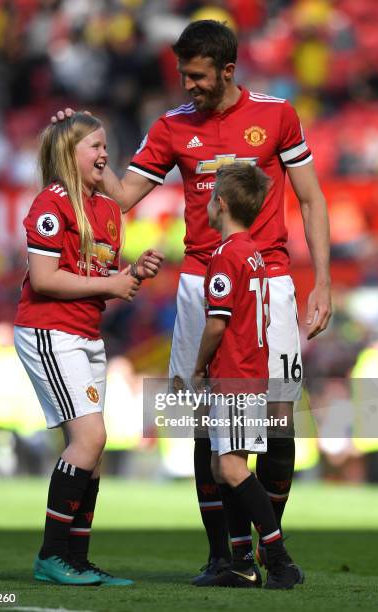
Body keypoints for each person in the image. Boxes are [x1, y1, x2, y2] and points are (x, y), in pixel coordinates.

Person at [54, 19, 332, 583]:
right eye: (183, 74)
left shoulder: (277, 115)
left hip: (268, 282)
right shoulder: (172, 127)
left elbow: (311, 199)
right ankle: (223, 558)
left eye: (199, 76)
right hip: (200, 283)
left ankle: (259, 546)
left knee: (276, 420)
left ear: (228, 70)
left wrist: (322, 282)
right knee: (204, 417)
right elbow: (127, 196)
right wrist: (78, 146)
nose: (189, 86)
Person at [14, 112, 163, 586]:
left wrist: (131, 275)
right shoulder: (50, 204)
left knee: (92, 450)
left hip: (83, 333)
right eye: (94, 147)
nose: (104, 154)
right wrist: (116, 283)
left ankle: (75, 559)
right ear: (68, 154)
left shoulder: (106, 210)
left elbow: (97, 280)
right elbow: (44, 279)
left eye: (106, 145)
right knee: (89, 440)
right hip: (50, 330)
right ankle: (52, 556)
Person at [191, 162, 303, 589]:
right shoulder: (255, 252)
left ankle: (278, 559)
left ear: (219, 205)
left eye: (210, 195)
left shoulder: (225, 256)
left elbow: (217, 324)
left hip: (235, 376)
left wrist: (199, 366)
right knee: (224, 468)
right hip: (250, 374)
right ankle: (241, 562)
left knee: (233, 470)